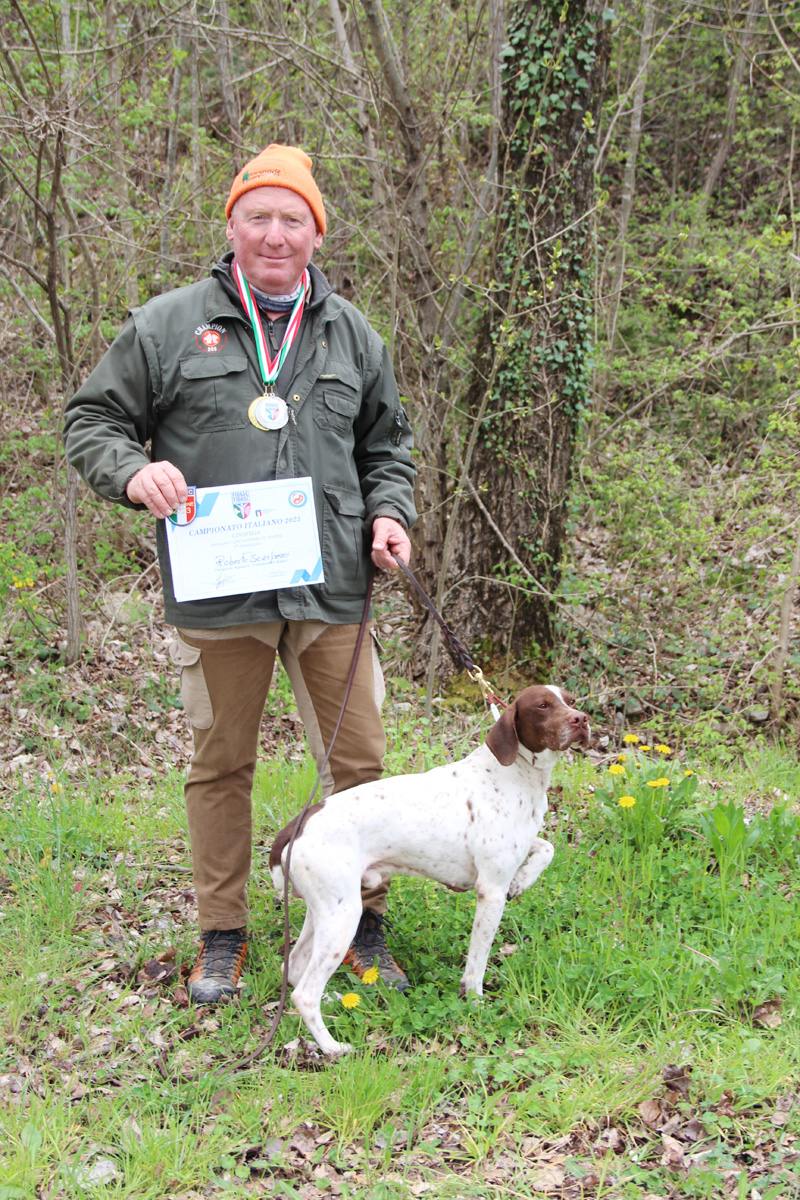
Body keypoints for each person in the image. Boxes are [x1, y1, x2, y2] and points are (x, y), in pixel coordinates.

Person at [64, 144, 417, 1004]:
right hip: (221, 592)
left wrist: (389, 514)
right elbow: (92, 419)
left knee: (361, 767)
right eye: (258, 215)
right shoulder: (168, 324)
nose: (274, 233)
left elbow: (387, 446)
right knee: (221, 767)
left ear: (315, 234)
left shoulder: (351, 332)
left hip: (334, 589)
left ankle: (363, 926)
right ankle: (222, 936)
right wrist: (131, 473)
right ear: (232, 226)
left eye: (292, 219)